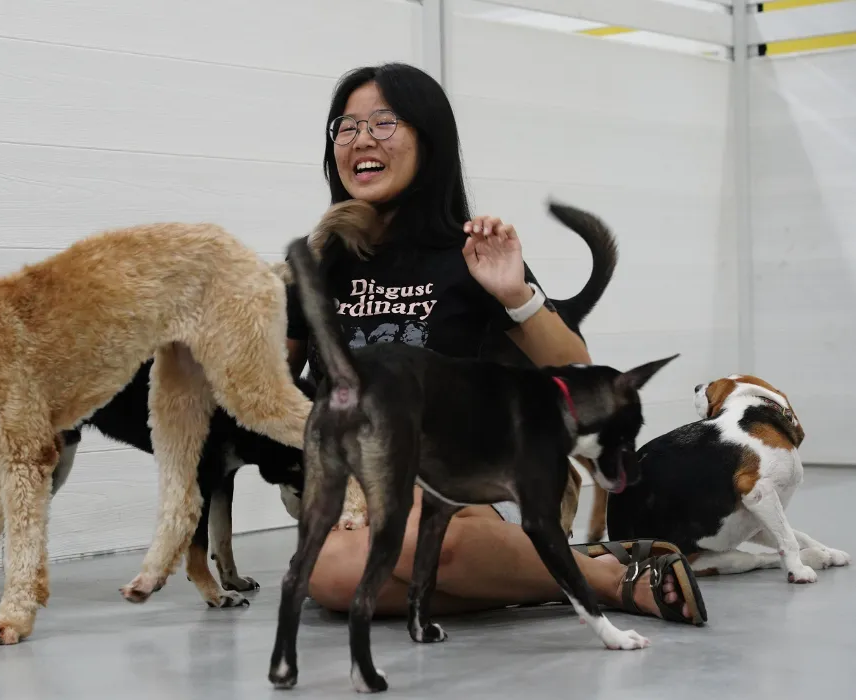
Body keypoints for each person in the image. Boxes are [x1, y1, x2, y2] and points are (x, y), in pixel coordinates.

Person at [283, 63, 705, 625]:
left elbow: (576, 371)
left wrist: (515, 294)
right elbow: (273, 390)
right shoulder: (317, 264)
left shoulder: (471, 253)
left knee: (410, 535)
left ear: (429, 142)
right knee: (330, 575)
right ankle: (588, 573)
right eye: (347, 126)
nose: (362, 139)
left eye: (384, 123)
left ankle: (605, 580)